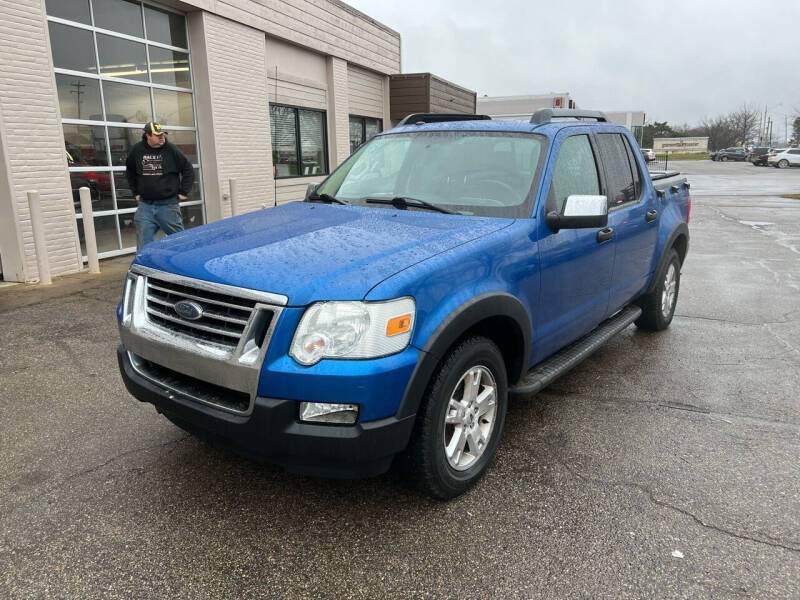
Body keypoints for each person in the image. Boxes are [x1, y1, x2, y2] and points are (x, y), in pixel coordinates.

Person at [125, 122, 194, 248]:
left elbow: (188, 169)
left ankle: (185, 263)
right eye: (158, 135)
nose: (162, 137)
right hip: (145, 206)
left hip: (168, 205)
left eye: (162, 135)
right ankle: (144, 265)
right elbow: (130, 171)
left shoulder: (171, 150)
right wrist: (135, 192)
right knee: (143, 241)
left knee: (179, 240)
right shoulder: (137, 150)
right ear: (148, 136)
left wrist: (184, 191)